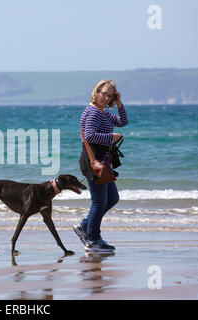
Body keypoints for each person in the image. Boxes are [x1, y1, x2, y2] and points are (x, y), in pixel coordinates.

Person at [73, 79, 128, 252]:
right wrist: (112, 137)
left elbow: (122, 122)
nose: (106, 98)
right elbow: (89, 136)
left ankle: (85, 227)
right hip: (93, 162)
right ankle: (93, 240)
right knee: (99, 201)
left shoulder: (102, 111)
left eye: (110, 95)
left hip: (102, 162)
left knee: (112, 198)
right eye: (104, 93)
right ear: (96, 91)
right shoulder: (94, 112)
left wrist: (119, 103)